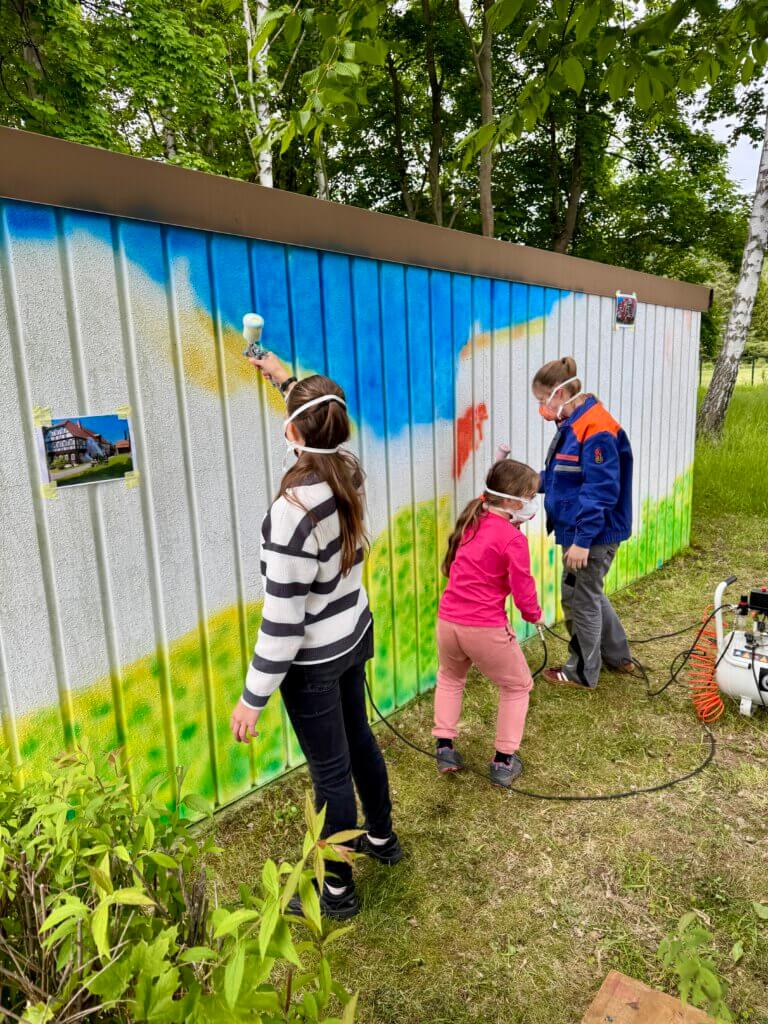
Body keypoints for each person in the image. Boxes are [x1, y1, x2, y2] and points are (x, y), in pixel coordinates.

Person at [230, 352, 401, 920]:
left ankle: (337, 892)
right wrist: (285, 379)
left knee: (331, 772)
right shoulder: (347, 470)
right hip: (352, 637)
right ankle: (382, 839)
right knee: (361, 742)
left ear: (293, 431)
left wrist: (252, 699)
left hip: (313, 664)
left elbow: (283, 623)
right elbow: (319, 418)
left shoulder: (293, 509)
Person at [432, 459, 545, 787]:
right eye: (529, 496)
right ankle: (503, 761)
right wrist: (533, 615)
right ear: (511, 502)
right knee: (517, 685)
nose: (531, 503)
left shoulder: (471, 520)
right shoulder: (513, 539)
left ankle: (445, 749)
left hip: (448, 623)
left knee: (451, 677)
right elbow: (523, 588)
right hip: (484, 628)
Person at [533, 356, 634, 689]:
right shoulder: (575, 423)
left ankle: (582, 672)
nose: (541, 408)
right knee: (589, 592)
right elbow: (570, 476)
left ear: (558, 395)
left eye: (541, 400)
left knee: (578, 598)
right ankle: (617, 656)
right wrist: (533, 482)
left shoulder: (596, 429)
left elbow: (601, 490)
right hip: (583, 530)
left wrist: (582, 541)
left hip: (592, 533)